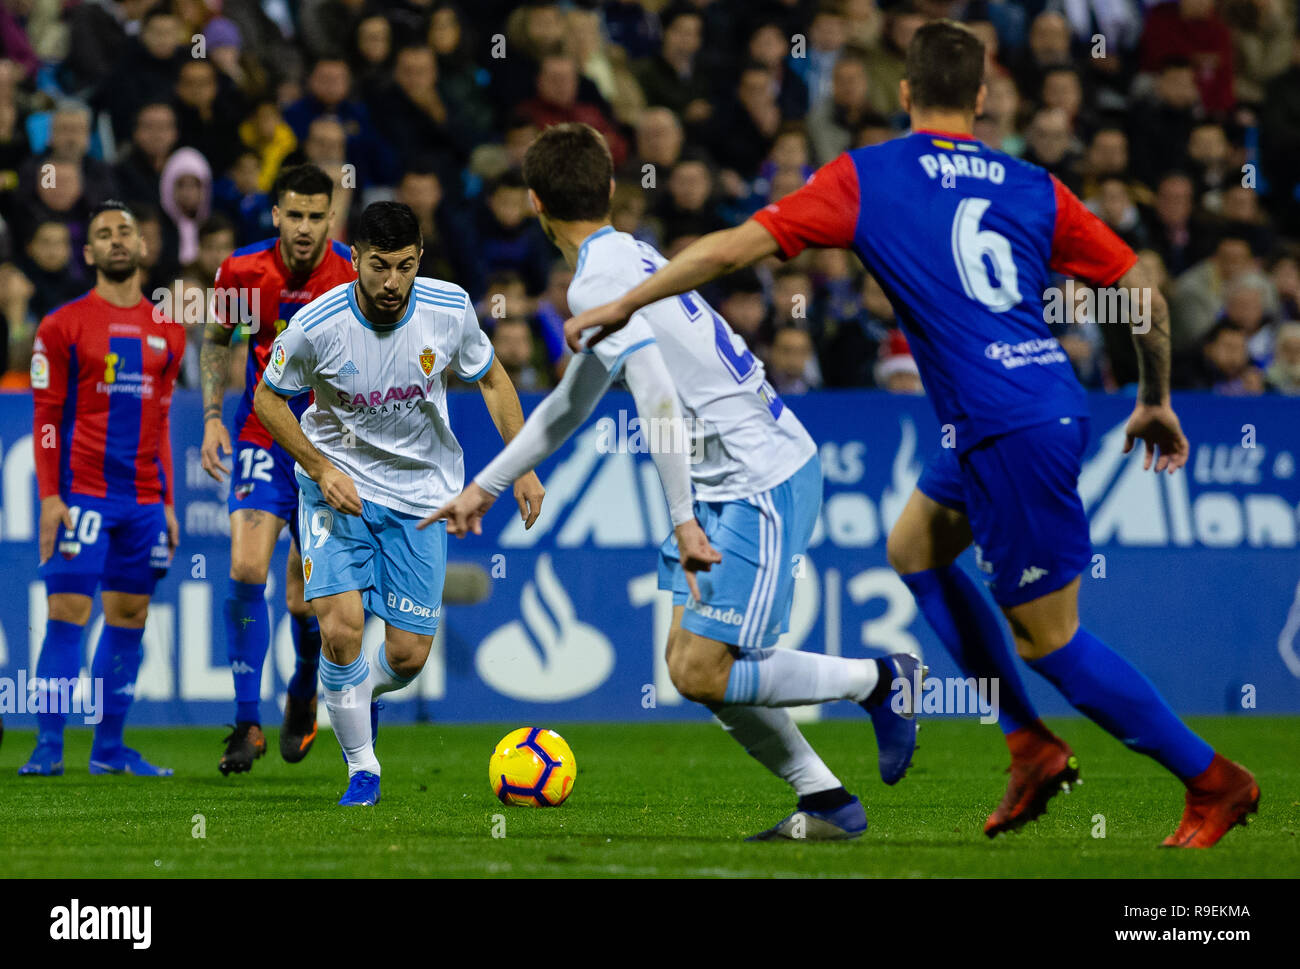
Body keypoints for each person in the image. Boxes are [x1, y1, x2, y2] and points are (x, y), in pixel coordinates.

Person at [564, 22, 1259, 850]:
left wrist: (625, 301)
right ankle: (1027, 743)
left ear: (903, 94)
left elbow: (734, 248)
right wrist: (1154, 396)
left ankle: (1214, 780)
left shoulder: (871, 174)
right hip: (1026, 405)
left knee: (1052, 640)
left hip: (1010, 425)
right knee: (914, 548)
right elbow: (1139, 289)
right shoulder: (1033, 183)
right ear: (982, 97)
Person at [429, 123, 923, 841]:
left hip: (757, 474)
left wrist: (682, 515)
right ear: (607, 190)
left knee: (702, 669)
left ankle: (881, 680)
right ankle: (826, 800)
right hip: (726, 477)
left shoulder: (599, 275)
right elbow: (573, 399)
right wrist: (488, 485)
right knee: (694, 665)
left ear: (535, 203)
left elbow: (656, 392)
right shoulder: (627, 253)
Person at [252, 201, 545, 806]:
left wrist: (522, 464)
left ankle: (352, 697)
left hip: (422, 498)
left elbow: (492, 379)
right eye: (379, 266)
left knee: (408, 657)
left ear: (419, 261)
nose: (392, 283)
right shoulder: (316, 325)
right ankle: (363, 768)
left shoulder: (449, 308)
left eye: (406, 266)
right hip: (339, 491)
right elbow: (268, 400)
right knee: (340, 632)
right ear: (353, 258)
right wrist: (319, 466)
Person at [199, 164, 356, 775]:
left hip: (330, 449)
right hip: (263, 433)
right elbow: (218, 338)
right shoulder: (242, 271)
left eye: (317, 217)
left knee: (302, 597)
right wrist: (212, 414)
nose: (305, 228)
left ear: (331, 218)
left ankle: (304, 688)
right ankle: (245, 722)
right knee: (244, 566)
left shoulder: (349, 271)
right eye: (295, 215)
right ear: (275, 215)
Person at [21, 200, 185, 777]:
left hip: (142, 501)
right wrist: (49, 497)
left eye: (126, 231)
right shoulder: (61, 325)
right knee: (67, 611)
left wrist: (167, 503)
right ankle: (48, 746)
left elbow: (162, 422)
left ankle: (109, 749)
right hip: (81, 493)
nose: (117, 240)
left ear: (142, 247)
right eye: (104, 235)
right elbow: (45, 418)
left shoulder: (169, 331)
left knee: (130, 616)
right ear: (88, 253)